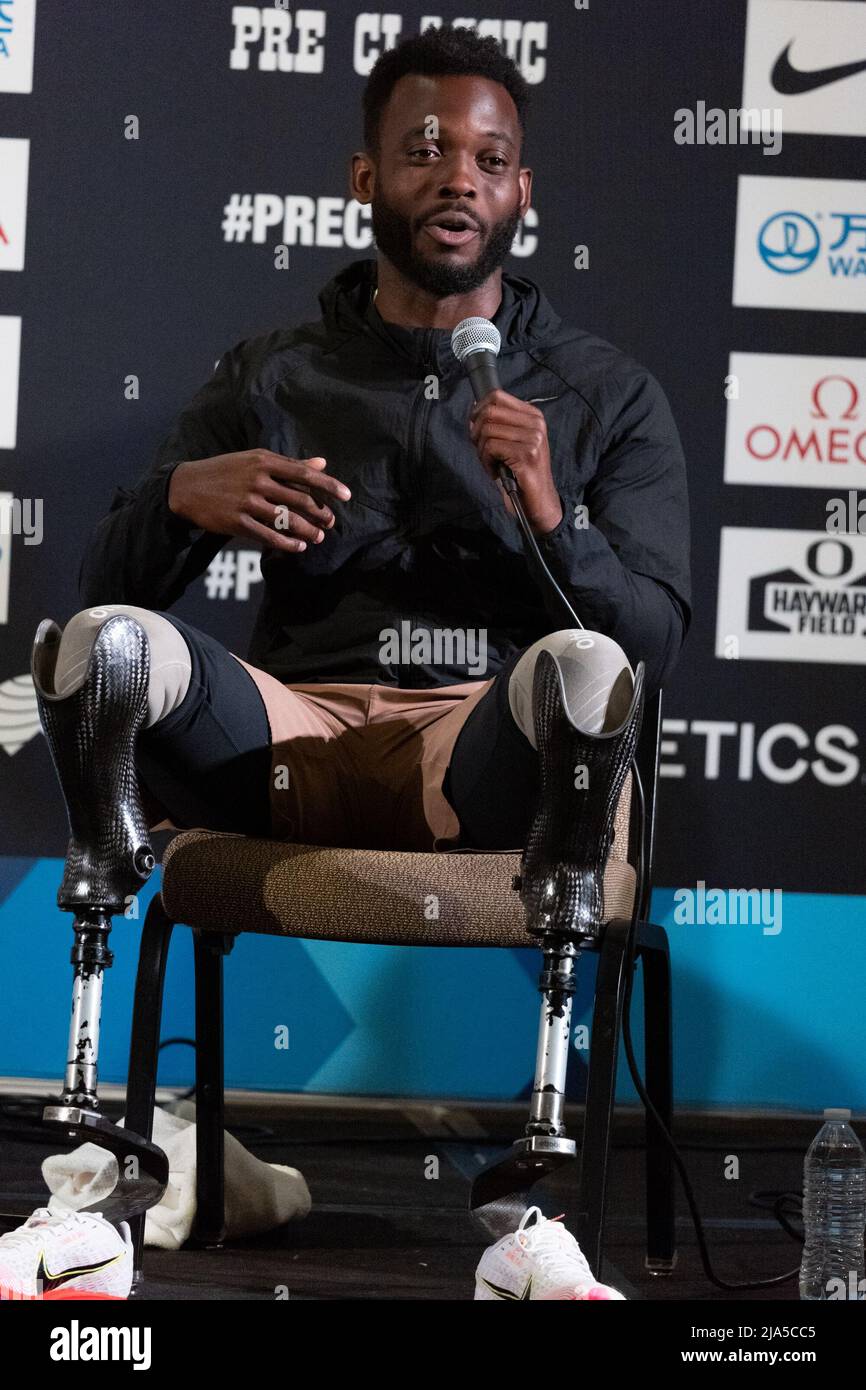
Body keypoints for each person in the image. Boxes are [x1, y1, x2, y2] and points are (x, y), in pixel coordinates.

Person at [36, 24, 691, 863]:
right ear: (365, 178)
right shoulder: (269, 375)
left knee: (585, 668)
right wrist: (177, 502)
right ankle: (102, 878)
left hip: (477, 752)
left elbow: (653, 652)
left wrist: (558, 522)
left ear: (520, 192)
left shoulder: (604, 393)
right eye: (425, 153)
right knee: (112, 647)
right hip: (284, 739)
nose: (460, 179)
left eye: (490, 163)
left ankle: (563, 933)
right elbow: (104, 593)